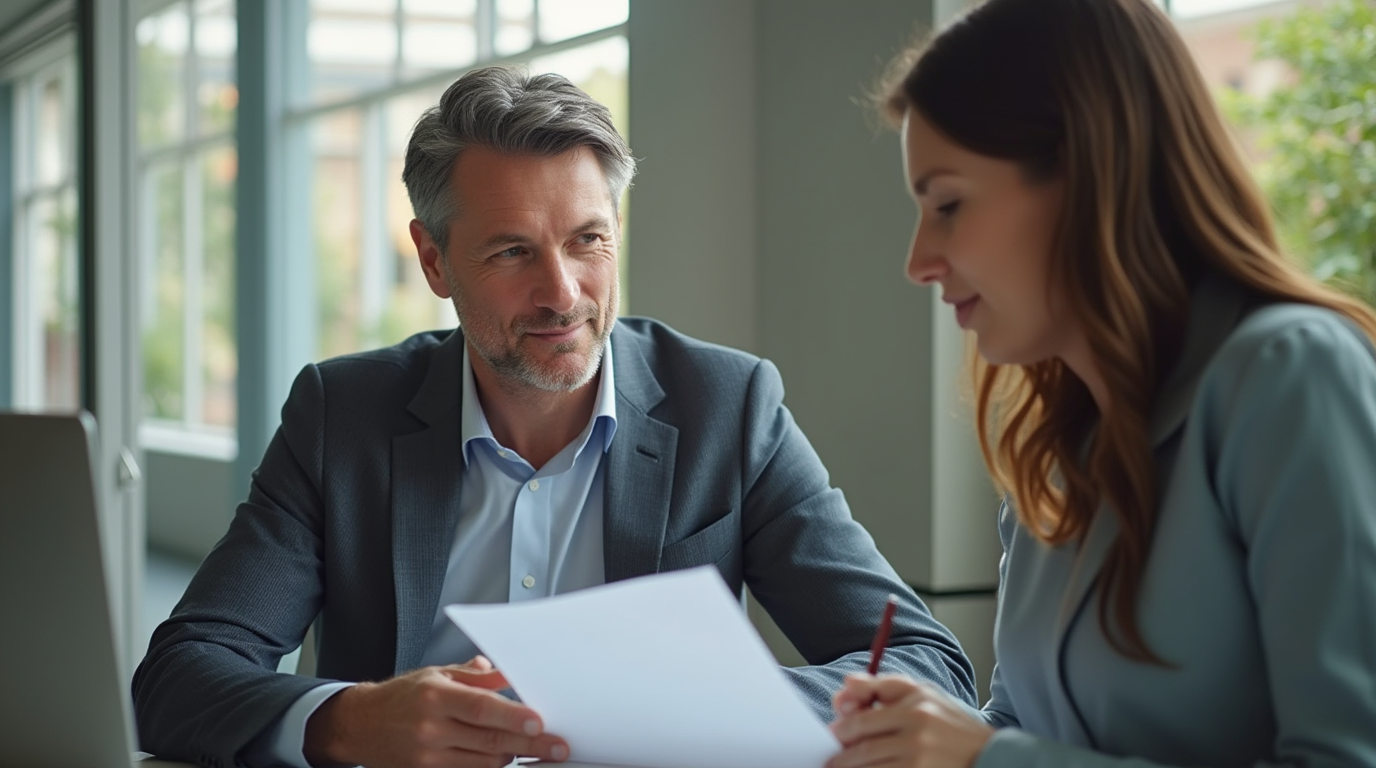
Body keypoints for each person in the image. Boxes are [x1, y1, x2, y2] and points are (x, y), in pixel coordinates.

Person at [132, 66, 976, 768]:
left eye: (587, 240)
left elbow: (925, 668)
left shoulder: (729, 407)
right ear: (433, 259)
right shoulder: (340, 416)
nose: (563, 294)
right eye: (511, 252)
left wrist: (696, 707)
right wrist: (351, 721)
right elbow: (178, 677)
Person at [825, 0, 1376, 766]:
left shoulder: (1289, 375)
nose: (919, 260)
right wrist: (922, 741)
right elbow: (1021, 726)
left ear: (1088, 175)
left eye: (948, 204)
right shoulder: (1049, 449)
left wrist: (986, 759)